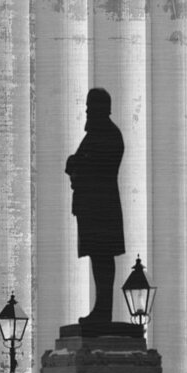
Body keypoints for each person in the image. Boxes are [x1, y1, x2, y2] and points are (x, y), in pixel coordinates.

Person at [65, 88, 125, 323]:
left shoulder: (106, 134)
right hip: (96, 207)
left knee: (102, 258)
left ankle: (103, 310)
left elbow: (88, 165)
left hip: (101, 209)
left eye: (91, 107)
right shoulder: (99, 134)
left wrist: (77, 163)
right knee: (99, 257)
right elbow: (77, 163)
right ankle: (101, 309)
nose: (87, 112)